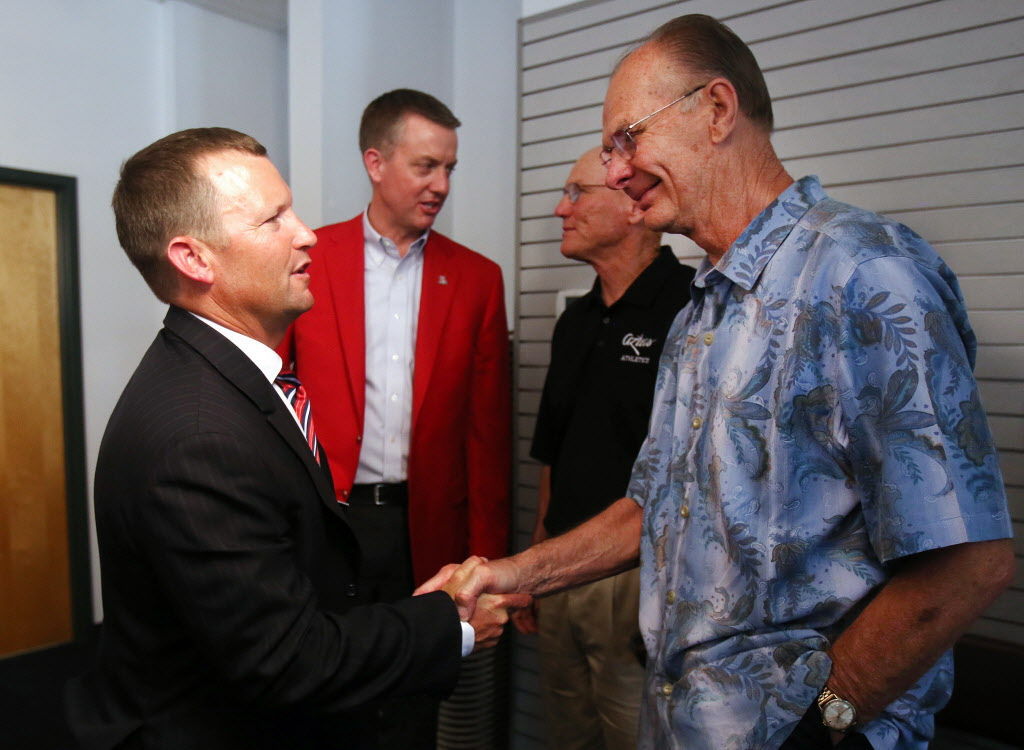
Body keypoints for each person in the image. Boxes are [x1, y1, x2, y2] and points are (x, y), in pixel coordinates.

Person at [419, 14, 1015, 750]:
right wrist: (514, 573)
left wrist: (823, 722)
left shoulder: (866, 275)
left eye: (627, 139)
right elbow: (653, 505)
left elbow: (968, 561)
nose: (612, 173)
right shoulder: (703, 306)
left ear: (717, 110)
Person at [64, 128, 521, 750]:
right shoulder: (199, 437)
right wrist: (451, 622)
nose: (306, 233)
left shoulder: (229, 379)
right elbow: (288, 660)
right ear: (195, 259)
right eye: (272, 219)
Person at [278, 89, 510, 748]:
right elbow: (278, 398)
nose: (440, 185)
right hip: (333, 522)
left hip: (426, 529)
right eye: (425, 166)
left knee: (415, 698)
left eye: (449, 170)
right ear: (375, 163)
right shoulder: (306, 259)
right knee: (328, 690)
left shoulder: (476, 279)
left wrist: (487, 559)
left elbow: (486, 437)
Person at [511, 146, 694, 750]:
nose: (562, 209)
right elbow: (554, 448)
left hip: (637, 575)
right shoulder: (577, 320)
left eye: (577, 193)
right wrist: (539, 558)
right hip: (563, 565)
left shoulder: (689, 307)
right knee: (570, 733)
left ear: (632, 205)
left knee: (633, 734)